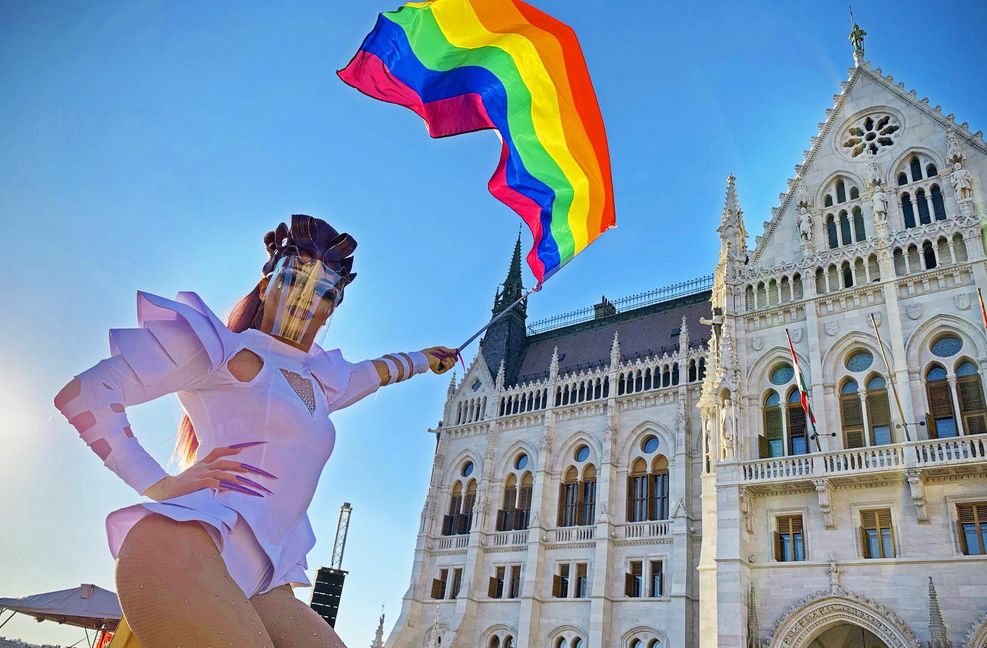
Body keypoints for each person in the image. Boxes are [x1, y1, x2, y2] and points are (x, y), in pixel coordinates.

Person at [53, 215, 457, 648]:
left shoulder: (322, 383)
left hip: (262, 582)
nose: (307, 298)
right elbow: (87, 393)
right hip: (181, 554)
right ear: (266, 286)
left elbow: (378, 371)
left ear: (332, 308)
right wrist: (159, 483)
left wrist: (427, 358)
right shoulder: (220, 349)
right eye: (295, 279)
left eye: (325, 292)